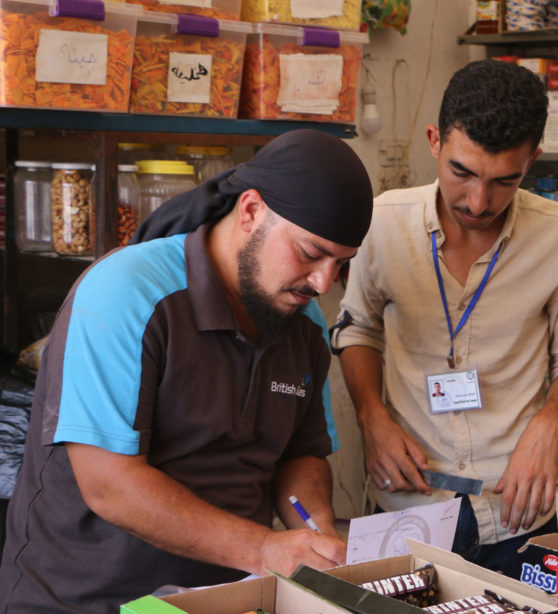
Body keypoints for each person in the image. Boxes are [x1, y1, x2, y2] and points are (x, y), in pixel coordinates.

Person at [0, 129, 374, 613]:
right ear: (251, 211)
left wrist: (315, 531)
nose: (324, 282)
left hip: (222, 598)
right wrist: (262, 548)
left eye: (341, 265)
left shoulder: (305, 323)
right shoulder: (126, 293)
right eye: (309, 253)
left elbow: (300, 455)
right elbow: (109, 482)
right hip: (88, 598)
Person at [332, 59, 558, 572]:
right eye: (462, 173)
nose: (479, 202)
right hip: (407, 503)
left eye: (504, 181)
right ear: (434, 140)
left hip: (516, 509)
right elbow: (358, 329)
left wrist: (550, 426)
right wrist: (372, 418)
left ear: (533, 160)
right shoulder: (383, 223)